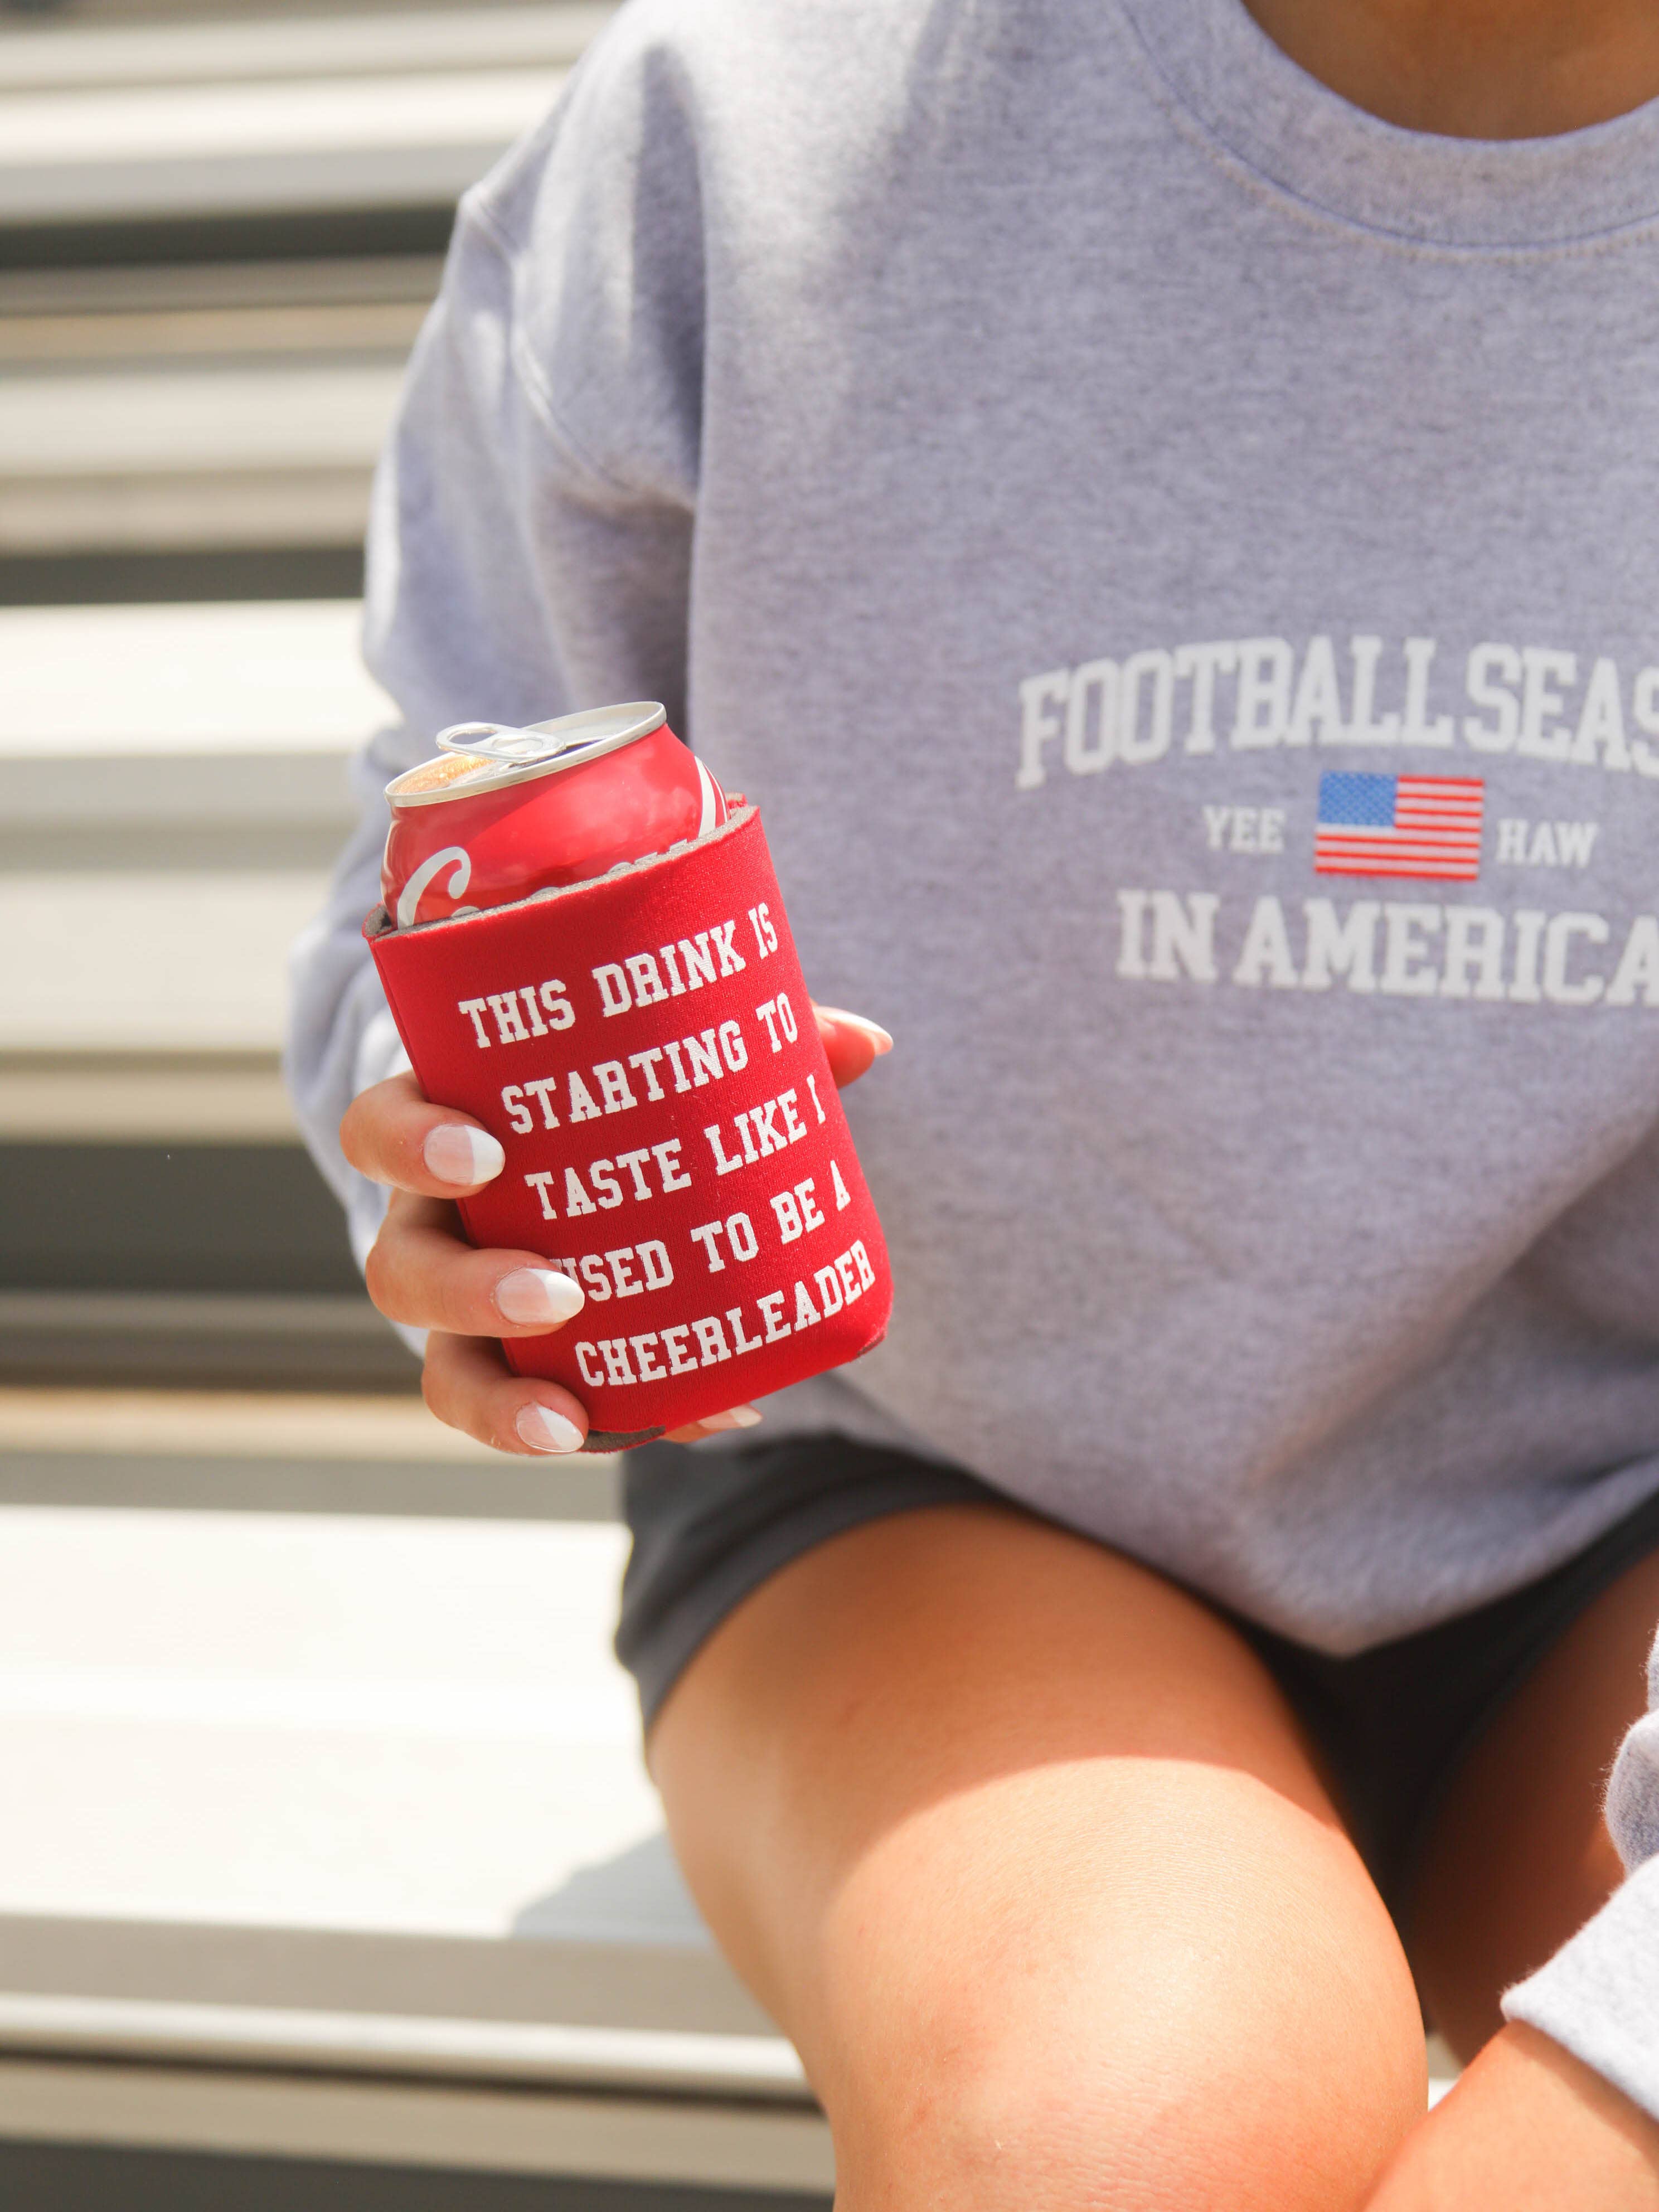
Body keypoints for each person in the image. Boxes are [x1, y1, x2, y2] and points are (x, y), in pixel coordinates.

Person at [289, 0, 1659, 2199]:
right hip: (936, 1487)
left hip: (1613, 1503)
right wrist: (458, 1149)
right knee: (1124, 2121)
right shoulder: (743, 123)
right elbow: (443, 805)